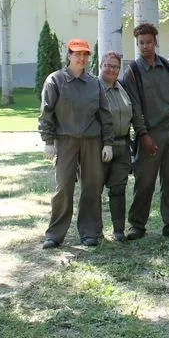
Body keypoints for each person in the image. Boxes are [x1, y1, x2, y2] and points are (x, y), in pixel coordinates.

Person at [38, 38, 114, 249]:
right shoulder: (55, 80)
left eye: (85, 54)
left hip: (92, 141)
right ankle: (54, 234)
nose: (81, 58)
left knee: (92, 187)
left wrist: (107, 143)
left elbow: (105, 115)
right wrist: (48, 140)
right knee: (63, 187)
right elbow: (46, 112)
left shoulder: (94, 83)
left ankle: (90, 232)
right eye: (77, 53)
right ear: (69, 55)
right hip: (65, 141)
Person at [124, 23, 169, 238]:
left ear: (156, 42)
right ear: (137, 44)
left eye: (149, 42)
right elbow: (134, 108)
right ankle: (137, 225)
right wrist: (143, 135)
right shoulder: (133, 72)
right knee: (144, 182)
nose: (145, 46)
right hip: (150, 135)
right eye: (141, 43)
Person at [98, 51, 135, 242]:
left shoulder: (122, 88)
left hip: (122, 146)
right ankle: (94, 232)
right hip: (101, 147)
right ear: (101, 66)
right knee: (94, 189)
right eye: (108, 65)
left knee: (119, 188)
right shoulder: (94, 88)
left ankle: (118, 230)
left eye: (115, 66)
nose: (111, 69)